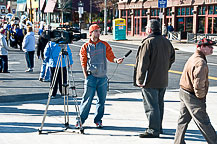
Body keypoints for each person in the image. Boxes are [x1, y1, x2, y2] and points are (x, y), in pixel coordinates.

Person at [76, 24, 124, 128]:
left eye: (99, 31)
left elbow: (110, 56)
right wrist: (86, 76)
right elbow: (83, 62)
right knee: (87, 100)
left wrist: (116, 60)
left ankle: (98, 120)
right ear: (91, 33)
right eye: (96, 31)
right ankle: (80, 120)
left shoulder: (104, 45)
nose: (98, 33)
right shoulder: (85, 47)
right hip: (91, 77)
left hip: (102, 77)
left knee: (101, 101)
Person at [133, 19, 175, 138]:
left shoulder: (148, 42)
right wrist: (165, 68)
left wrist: (140, 80)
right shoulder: (166, 42)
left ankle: (153, 130)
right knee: (159, 104)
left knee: (151, 106)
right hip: (162, 79)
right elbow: (172, 57)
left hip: (149, 80)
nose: (146, 29)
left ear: (150, 30)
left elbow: (143, 63)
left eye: (146, 27)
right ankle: (158, 127)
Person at [174, 38, 217, 144]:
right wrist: (201, 98)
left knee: (183, 120)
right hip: (192, 95)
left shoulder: (194, 57)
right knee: (203, 121)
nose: (212, 49)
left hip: (184, 91)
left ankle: (178, 142)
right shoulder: (200, 62)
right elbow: (198, 84)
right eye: (209, 46)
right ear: (201, 47)